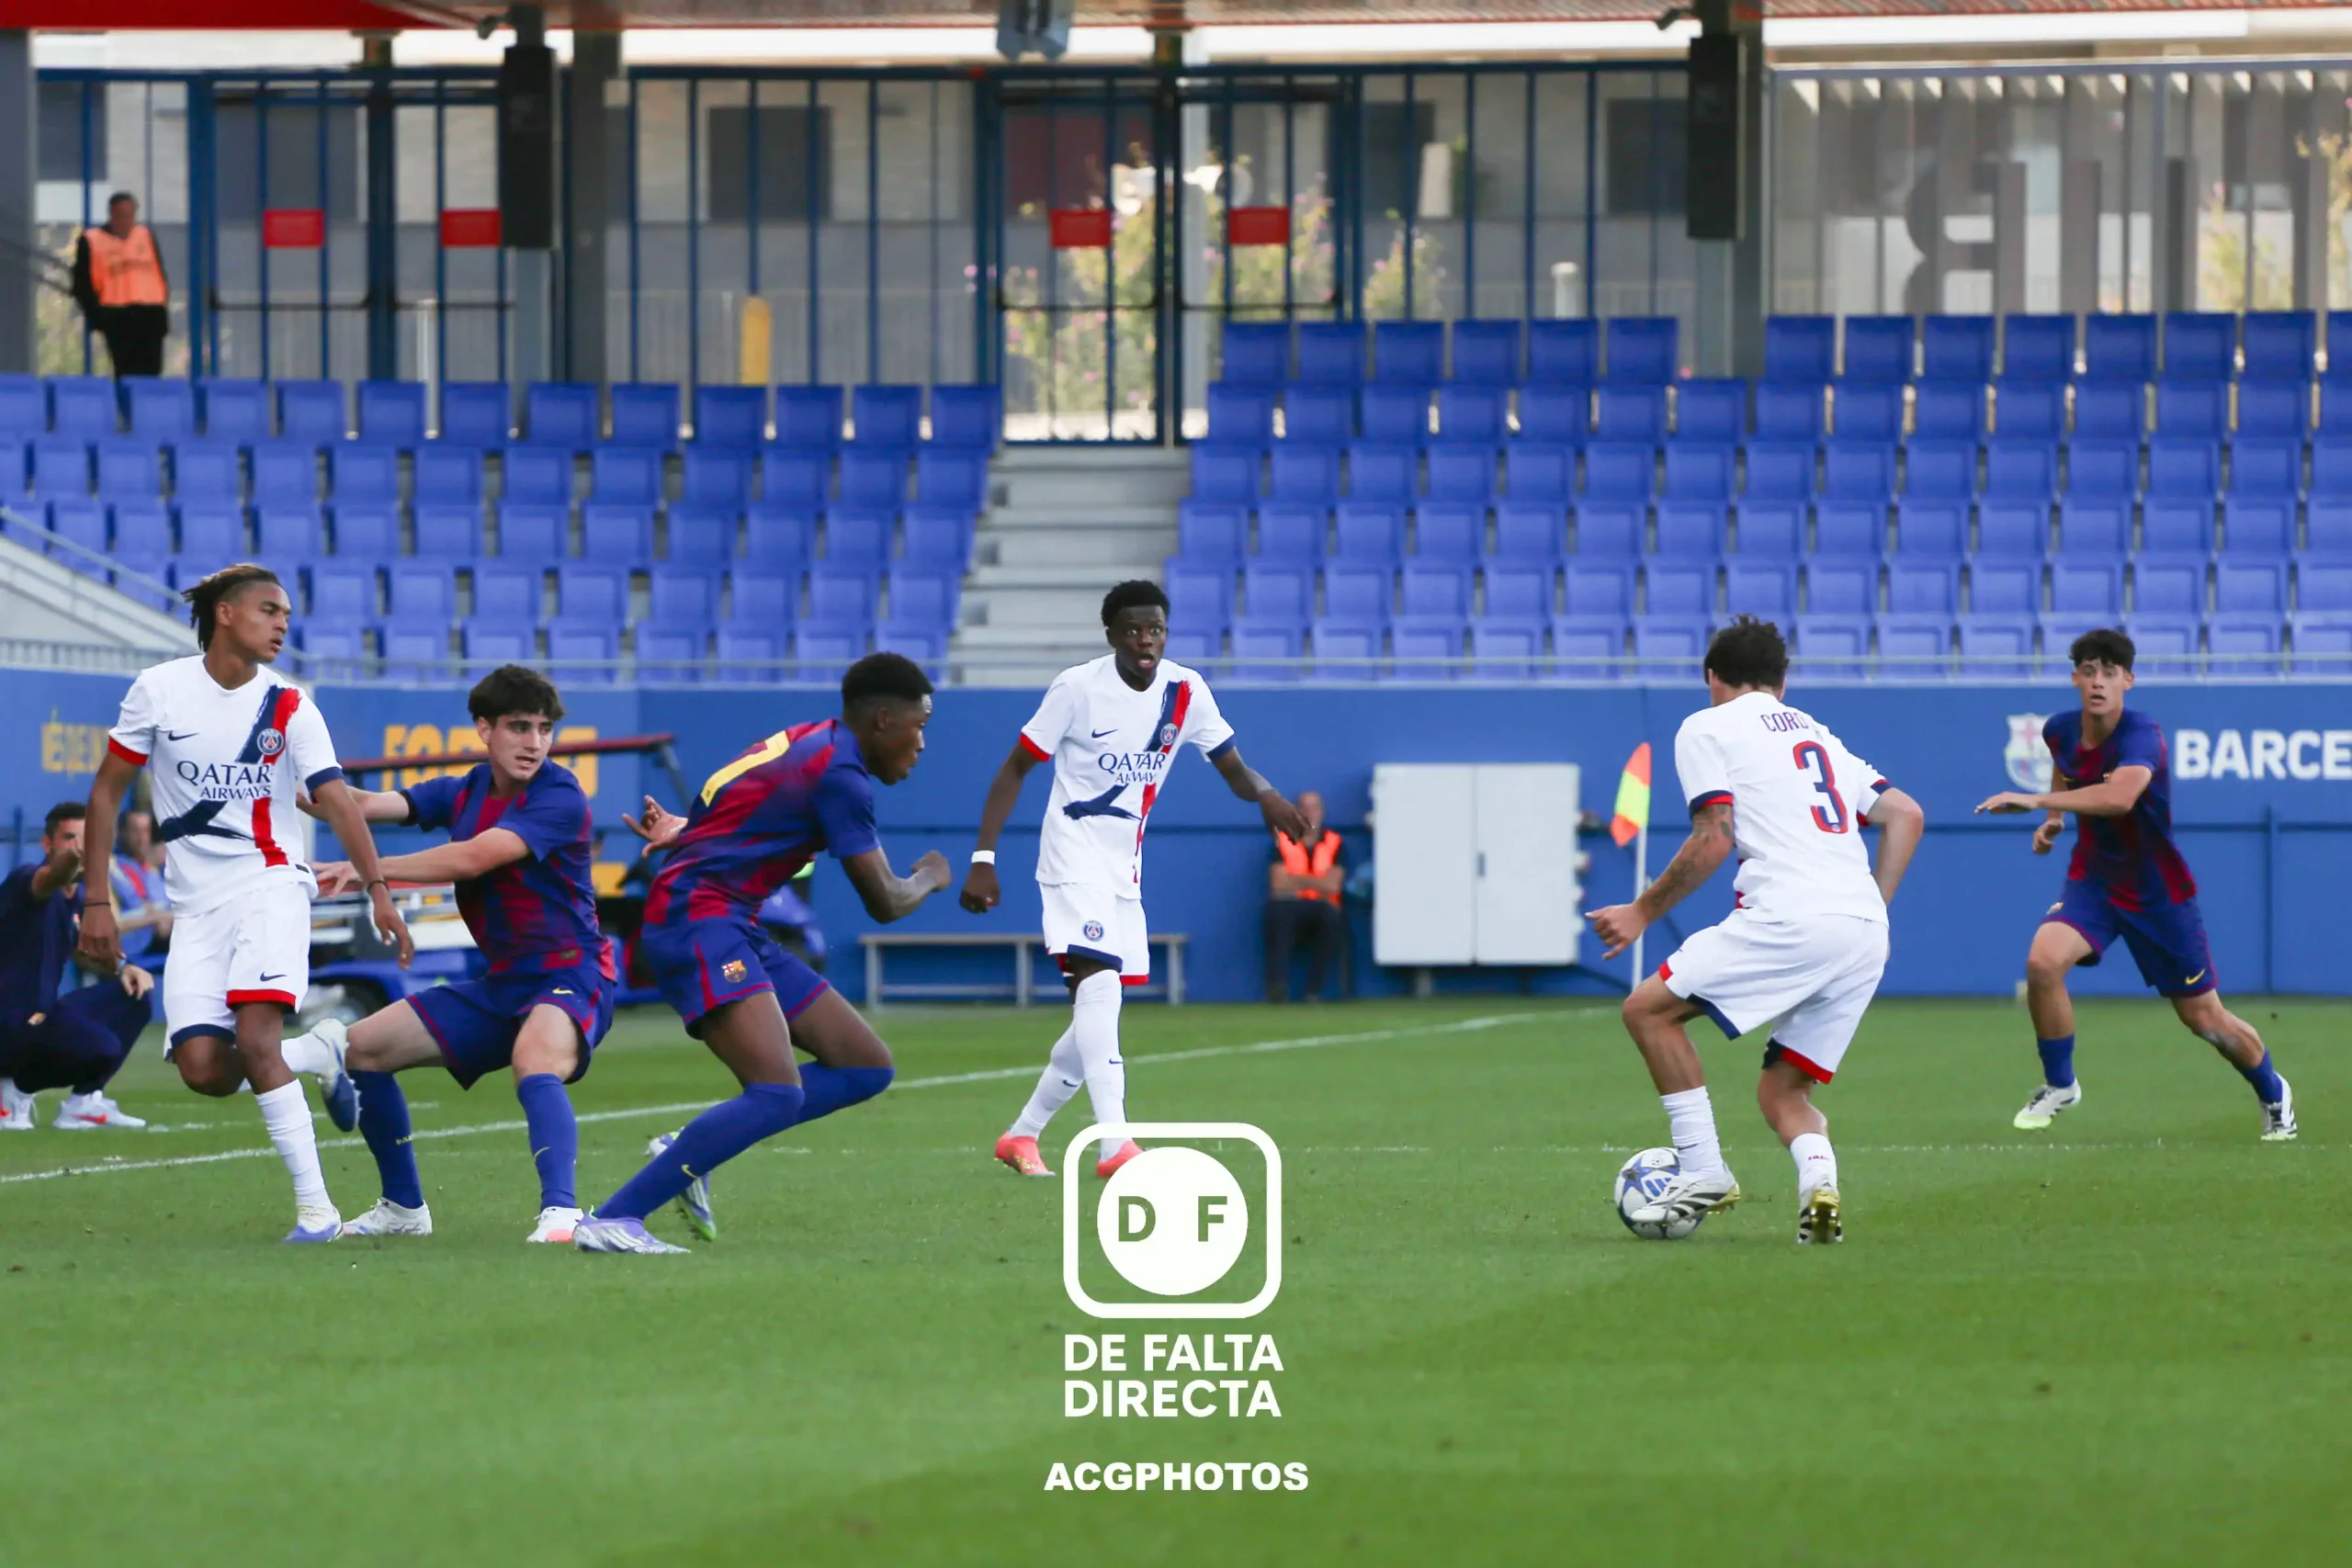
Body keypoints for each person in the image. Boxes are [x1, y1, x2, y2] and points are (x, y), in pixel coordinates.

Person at [77, 563, 413, 1243]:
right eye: (269, 610)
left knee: (257, 1043)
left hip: (272, 886)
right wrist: (96, 898)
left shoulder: (291, 705)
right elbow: (106, 794)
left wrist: (378, 888)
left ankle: (317, 1212)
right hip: (195, 909)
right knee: (204, 1070)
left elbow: (337, 802)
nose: (282, 623)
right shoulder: (158, 690)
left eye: (286, 613)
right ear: (225, 613)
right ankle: (317, 1051)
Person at [572, 652, 952, 1255]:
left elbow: (730, 788)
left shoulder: (812, 738)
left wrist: (689, 830)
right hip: (699, 919)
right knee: (776, 1091)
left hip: (729, 920)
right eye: (919, 725)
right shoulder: (842, 775)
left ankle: (691, 1147)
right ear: (884, 720)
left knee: (864, 1064)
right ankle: (614, 1218)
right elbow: (885, 900)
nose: (923, 743)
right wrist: (930, 875)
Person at [1587, 618, 1926, 1246]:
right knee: (1784, 1092)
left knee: (1648, 1012)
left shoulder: (1707, 726)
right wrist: (1868, 906)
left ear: (1712, 677)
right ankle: (1819, 1188)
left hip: (1791, 915)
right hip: (1862, 931)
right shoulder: (1818, 734)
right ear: (1781, 683)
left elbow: (1714, 836)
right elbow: (1906, 813)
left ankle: (1703, 1169)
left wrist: (1641, 911)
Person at [964, 580, 1309, 1180]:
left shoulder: (1186, 691)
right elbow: (1014, 769)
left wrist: (1267, 794)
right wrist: (984, 858)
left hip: (1124, 869)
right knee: (1100, 991)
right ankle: (1116, 1145)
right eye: (1132, 630)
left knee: (1094, 1014)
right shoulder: (1077, 688)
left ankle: (1021, 1135)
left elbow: (1233, 768)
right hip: (1072, 857)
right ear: (1111, 635)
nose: (1145, 640)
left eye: (1155, 630)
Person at [277, 665, 610, 1244]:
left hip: (571, 974)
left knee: (535, 1059)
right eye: (519, 727)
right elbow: (363, 803)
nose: (534, 742)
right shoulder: (465, 790)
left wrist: (367, 869)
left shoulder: (560, 796)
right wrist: (287, 782)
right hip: (503, 984)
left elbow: (473, 859)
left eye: (544, 729)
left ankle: (562, 1214)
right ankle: (403, 1210)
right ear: (484, 728)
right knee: (363, 1050)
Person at [1975, 627, 2295, 1141]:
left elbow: (2119, 797)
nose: (2098, 682)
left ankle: (2273, 1092)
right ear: (2075, 679)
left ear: (2128, 679)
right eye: (2089, 671)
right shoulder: (2059, 729)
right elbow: (2065, 766)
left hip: (2157, 893)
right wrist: (2055, 821)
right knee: (2042, 962)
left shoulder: (2142, 734)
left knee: (2206, 1020)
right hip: (2094, 881)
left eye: (2110, 672)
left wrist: (2037, 802)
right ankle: (2060, 1085)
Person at [0, 803, 157, 1131]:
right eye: (71, 838)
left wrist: (123, 967)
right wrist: (71, 861)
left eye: (88, 840)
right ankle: (12, 1091)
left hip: (41, 1017)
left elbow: (83, 949)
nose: (81, 848)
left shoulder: (79, 897)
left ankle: (83, 1103)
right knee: (101, 1047)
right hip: (10, 1025)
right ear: (47, 844)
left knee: (135, 996)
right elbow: (50, 877)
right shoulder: (28, 880)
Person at [70, 192, 170, 379]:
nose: (127, 221)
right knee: (127, 371)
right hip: (117, 315)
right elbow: (81, 284)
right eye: (122, 215)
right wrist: (98, 317)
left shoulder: (145, 235)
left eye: (131, 215)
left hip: (150, 313)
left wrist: (162, 308)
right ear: (112, 215)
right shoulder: (93, 240)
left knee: (153, 371)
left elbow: (159, 273)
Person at [1264, 788, 1347, 1003]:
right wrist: (1318, 882)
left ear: (1322, 811)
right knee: (1278, 914)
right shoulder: (1282, 839)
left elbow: (1334, 886)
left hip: (1323, 906)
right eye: (1304, 807)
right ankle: (1277, 987)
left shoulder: (1335, 842)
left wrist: (1295, 880)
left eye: (1315, 807)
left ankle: (1313, 991)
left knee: (1331, 919)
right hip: (1289, 904)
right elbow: (1278, 884)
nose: (1310, 812)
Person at [110, 807, 173, 964]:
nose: (141, 838)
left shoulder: (154, 871)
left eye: (146, 831)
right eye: (135, 831)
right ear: (123, 833)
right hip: (134, 947)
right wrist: (158, 917)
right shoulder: (114, 868)